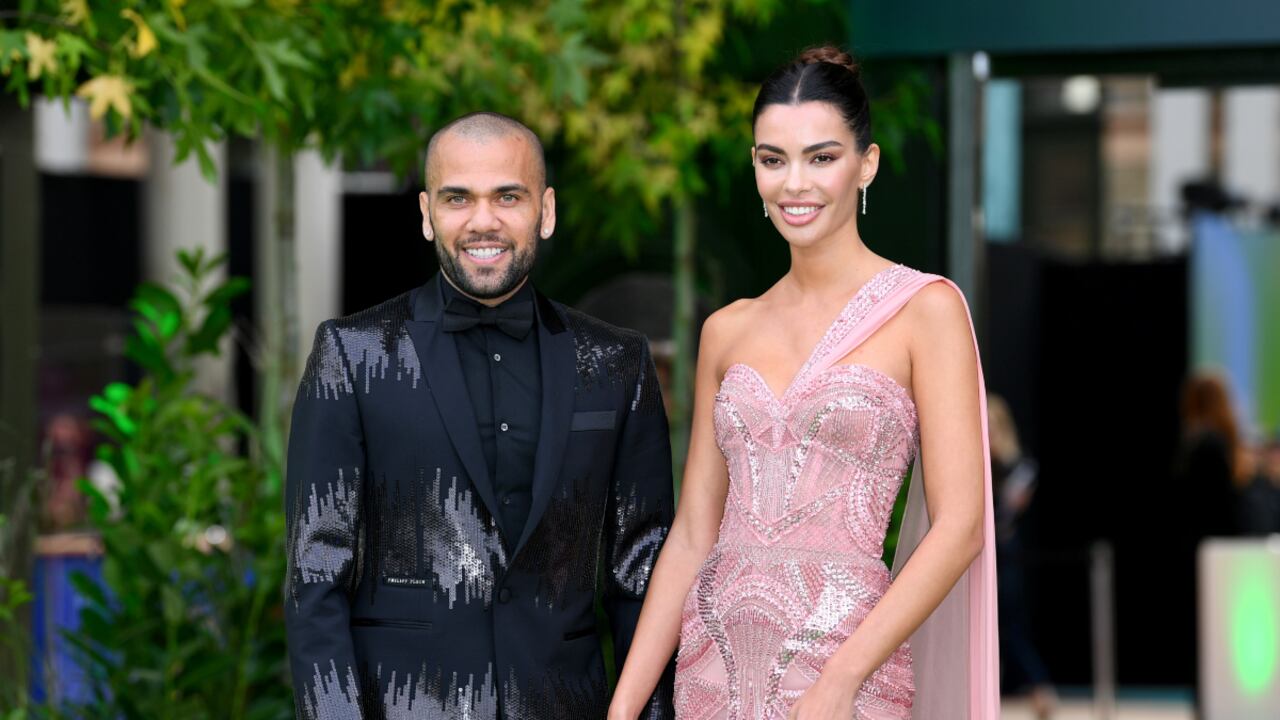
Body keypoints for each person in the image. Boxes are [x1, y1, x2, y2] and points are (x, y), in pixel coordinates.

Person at [607, 47, 999, 720]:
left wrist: (842, 679)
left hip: (848, 673)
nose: (795, 183)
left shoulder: (924, 311)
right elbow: (695, 533)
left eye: (821, 158)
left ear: (866, 165)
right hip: (715, 673)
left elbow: (960, 526)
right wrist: (624, 707)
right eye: (773, 159)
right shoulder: (727, 330)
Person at [284, 112, 676, 718]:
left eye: (508, 197)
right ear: (426, 214)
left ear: (546, 211)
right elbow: (315, 580)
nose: (483, 220)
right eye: (458, 198)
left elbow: (644, 579)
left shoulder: (617, 363)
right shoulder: (353, 355)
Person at [988, 394, 1055, 719]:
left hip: (1005, 552)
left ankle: (1039, 687)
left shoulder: (1018, 466)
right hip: (983, 550)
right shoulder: (977, 461)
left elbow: (1008, 511)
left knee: (1010, 624)